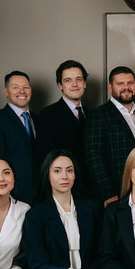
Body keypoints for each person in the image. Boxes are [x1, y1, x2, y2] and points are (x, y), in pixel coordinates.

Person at [85, 66, 135, 207]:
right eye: (120, 84)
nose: (126, 87)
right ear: (110, 87)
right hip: (116, 193)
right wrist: (108, 194)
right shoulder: (98, 115)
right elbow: (94, 157)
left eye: (130, 83)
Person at [36, 60, 92, 197]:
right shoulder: (48, 115)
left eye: (79, 79)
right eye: (68, 80)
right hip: (63, 190)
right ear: (60, 85)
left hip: (91, 189)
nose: (74, 84)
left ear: (85, 83)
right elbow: (46, 159)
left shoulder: (92, 114)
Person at [0, 71, 39, 203]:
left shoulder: (39, 119)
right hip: (13, 193)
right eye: (15, 87)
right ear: (6, 92)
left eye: (26, 87)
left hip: (40, 192)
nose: (22, 91)